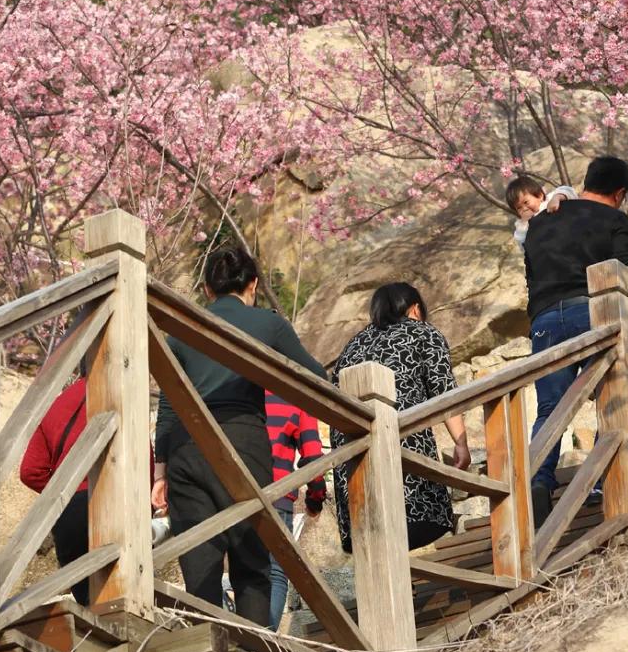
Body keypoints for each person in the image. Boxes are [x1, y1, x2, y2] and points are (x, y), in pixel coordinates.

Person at [150, 246, 327, 626]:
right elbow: (316, 379)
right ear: (253, 285)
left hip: (186, 448)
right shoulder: (269, 324)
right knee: (252, 563)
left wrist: (160, 473)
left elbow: (167, 408)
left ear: (207, 289)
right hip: (245, 443)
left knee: (200, 566)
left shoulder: (182, 331)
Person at [522, 155, 628, 526]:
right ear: (620, 193)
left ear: (587, 181)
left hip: (545, 319)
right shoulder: (614, 219)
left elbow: (531, 274)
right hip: (595, 313)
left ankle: (538, 484)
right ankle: (603, 479)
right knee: (616, 394)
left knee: (550, 409)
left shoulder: (540, 223)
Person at [330, 282, 471, 553]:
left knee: (374, 539)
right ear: (415, 309)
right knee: (407, 522)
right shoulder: (423, 333)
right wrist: (461, 443)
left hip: (353, 467)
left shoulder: (352, 346)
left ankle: (402, 588)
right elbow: (443, 392)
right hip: (402, 462)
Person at [20, 372, 155, 605]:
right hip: (115, 506)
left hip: (69, 511)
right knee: (121, 599)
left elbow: (30, 471)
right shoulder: (123, 397)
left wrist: (65, 490)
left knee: (86, 601)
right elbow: (144, 463)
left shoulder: (57, 404)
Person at [264, 391, 326, 631]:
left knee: (246, 568)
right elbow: (313, 457)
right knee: (277, 572)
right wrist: (315, 500)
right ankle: (264, 640)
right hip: (278, 496)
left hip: (238, 493)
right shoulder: (296, 395)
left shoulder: (240, 386)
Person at [505, 174, 577, 247]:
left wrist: (557, 197)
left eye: (526, 202)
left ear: (539, 195)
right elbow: (523, 244)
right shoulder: (523, 225)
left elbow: (569, 190)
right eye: (519, 208)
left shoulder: (549, 201)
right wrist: (524, 224)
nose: (524, 209)